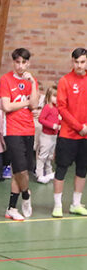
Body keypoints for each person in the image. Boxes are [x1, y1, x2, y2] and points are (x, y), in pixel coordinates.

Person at [0, 49, 39, 221]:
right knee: (20, 169)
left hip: (28, 129)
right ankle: (26, 194)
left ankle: (11, 208)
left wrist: (33, 84)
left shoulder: (31, 81)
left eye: (23, 62)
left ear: (28, 63)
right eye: (17, 62)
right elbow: (7, 106)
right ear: (13, 62)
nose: (20, 66)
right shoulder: (6, 80)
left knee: (20, 170)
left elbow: (35, 105)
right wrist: (26, 102)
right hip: (12, 129)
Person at [51, 48, 87, 218]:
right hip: (68, 134)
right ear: (72, 62)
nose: (79, 65)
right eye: (76, 62)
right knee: (61, 168)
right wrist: (79, 126)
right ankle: (57, 205)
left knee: (82, 169)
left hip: (85, 135)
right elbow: (62, 108)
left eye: (83, 62)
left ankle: (76, 204)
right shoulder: (65, 81)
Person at [36, 85, 60, 184]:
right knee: (43, 155)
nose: (56, 98)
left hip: (53, 136)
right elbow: (41, 119)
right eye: (54, 96)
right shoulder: (47, 107)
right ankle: (39, 174)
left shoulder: (56, 108)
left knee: (50, 156)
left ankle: (49, 172)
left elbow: (58, 120)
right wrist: (52, 125)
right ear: (49, 96)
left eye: (58, 96)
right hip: (46, 136)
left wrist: (60, 124)